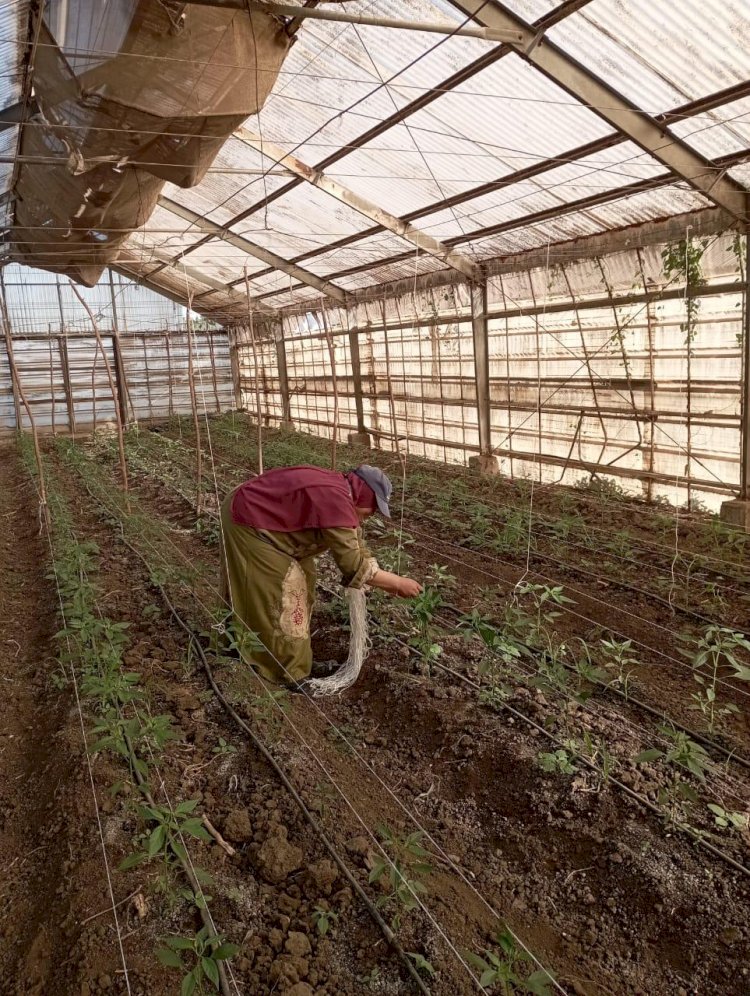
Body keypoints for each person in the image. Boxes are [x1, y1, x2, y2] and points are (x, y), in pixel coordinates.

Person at [220, 463, 422, 688]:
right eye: (370, 510)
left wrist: (379, 574)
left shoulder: (344, 496)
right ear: (363, 496)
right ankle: (287, 670)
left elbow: (356, 545)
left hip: (271, 523)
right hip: (249, 518)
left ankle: (297, 659)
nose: (368, 517)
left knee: (305, 582)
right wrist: (397, 583)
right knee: (285, 590)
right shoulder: (336, 500)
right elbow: (353, 564)